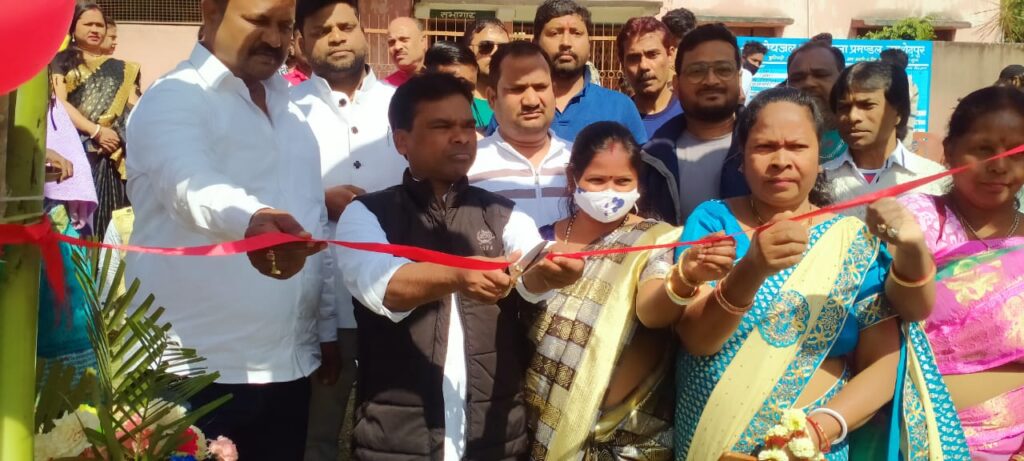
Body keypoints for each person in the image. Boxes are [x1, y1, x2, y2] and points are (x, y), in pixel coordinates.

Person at [672, 87, 968, 460]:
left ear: (820, 157)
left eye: (797, 147)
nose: (781, 161)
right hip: (712, 441)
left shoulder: (851, 241)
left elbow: (883, 360)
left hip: (815, 447)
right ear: (742, 158)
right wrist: (753, 268)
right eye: (765, 147)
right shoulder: (713, 222)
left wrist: (815, 432)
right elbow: (697, 339)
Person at [334, 72, 584, 460]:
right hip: (397, 441)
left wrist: (553, 268)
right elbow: (383, 286)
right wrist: (459, 275)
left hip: (494, 438)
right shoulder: (366, 214)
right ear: (402, 141)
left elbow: (529, 268)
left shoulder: (503, 213)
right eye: (442, 126)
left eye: (468, 126)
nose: (461, 137)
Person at [125, 0, 335, 457]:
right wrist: (252, 222)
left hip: (287, 368)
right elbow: (188, 184)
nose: (275, 39)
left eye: (285, 26)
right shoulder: (174, 97)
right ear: (211, 12)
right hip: (193, 373)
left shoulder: (293, 110)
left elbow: (312, 220)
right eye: (258, 21)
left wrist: (325, 329)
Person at [526, 122, 690, 459]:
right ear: (572, 178)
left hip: (627, 433)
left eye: (622, 181)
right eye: (597, 181)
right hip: (540, 417)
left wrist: (687, 278)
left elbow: (655, 310)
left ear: (638, 183)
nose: (610, 192)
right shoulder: (541, 242)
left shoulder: (658, 241)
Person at [290, 0, 406, 459]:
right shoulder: (286, 109)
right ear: (300, 41)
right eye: (321, 30)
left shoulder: (403, 105)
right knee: (317, 435)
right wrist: (319, 198)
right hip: (317, 304)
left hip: (399, 298)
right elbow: (261, 195)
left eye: (345, 26)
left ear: (363, 32)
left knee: (395, 432)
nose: (336, 37)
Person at [898, 86, 1024, 460]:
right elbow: (892, 317)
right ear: (950, 151)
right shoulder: (918, 221)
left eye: (1017, 152)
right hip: (923, 438)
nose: (999, 165)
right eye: (983, 149)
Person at [51, 2, 140, 238]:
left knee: (112, 222)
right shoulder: (59, 62)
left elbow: (133, 110)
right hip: (77, 153)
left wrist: (117, 136)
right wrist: (96, 131)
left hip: (112, 155)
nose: (95, 29)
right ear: (73, 27)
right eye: (88, 24)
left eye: (99, 25)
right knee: (76, 226)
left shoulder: (123, 69)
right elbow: (59, 104)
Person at [641, 24, 744, 226]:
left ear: (738, 79)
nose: (711, 80)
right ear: (676, 85)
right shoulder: (651, 160)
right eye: (697, 71)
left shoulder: (767, 149)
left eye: (723, 70)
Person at [825, 61, 947, 220]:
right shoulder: (821, 180)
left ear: (899, 113)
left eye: (867, 105)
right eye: (844, 107)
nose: (853, 117)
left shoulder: (935, 180)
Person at [469, 41, 572, 228]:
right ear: (492, 98)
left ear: (554, 92)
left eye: (540, 87)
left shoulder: (580, 161)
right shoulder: (467, 167)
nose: (531, 101)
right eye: (517, 89)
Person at [532, 0, 648, 143]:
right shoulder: (518, 105)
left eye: (576, 33)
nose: (566, 43)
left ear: (589, 46)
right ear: (535, 44)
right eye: (555, 33)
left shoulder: (619, 107)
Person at [617, 16, 682, 138]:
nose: (644, 66)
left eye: (652, 54)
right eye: (634, 58)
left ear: (670, 55)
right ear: (622, 65)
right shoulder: (615, 123)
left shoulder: (693, 118)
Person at [786, 39, 846, 164]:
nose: (808, 83)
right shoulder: (772, 136)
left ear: (842, 78)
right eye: (797, 78)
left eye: (821, 75)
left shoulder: (866, 136)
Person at [424, 41, 489, 135]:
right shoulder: (408, 134)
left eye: (468, 87)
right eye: (453, 86)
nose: (462, 96)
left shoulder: (479, 140)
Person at [462, 18, 510, 131]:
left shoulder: (519, 99)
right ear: (468, 50)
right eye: (486, 47)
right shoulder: (454, 102)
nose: (495, 53)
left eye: (503, 48)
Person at [880, 48, 919, 146]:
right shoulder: (909, 84)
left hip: (897, 142)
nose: (879, 65)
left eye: (883, 62)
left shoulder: (905, 85)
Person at [383, 17, 427, 87]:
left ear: (423, 42)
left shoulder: (442, 85)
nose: (397, 47)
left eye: (404, 40)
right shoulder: (383, 88)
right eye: (392, 42)